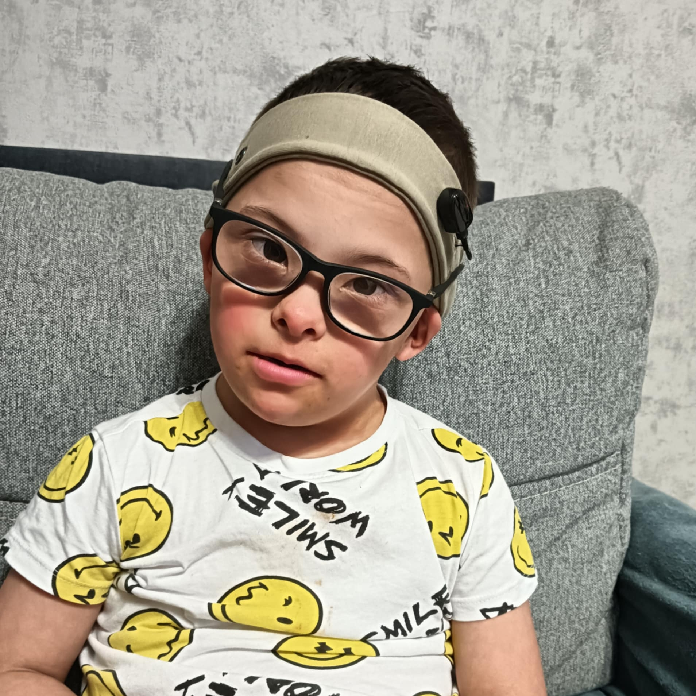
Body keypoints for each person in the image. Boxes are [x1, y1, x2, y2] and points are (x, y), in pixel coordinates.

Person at [0, 56, 546, 696]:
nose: (298, 313)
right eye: (268, 249)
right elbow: (17, 667)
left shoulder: (463, 485)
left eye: (368, 285)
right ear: (211, 256)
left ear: (416, 331)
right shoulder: (116, 465)